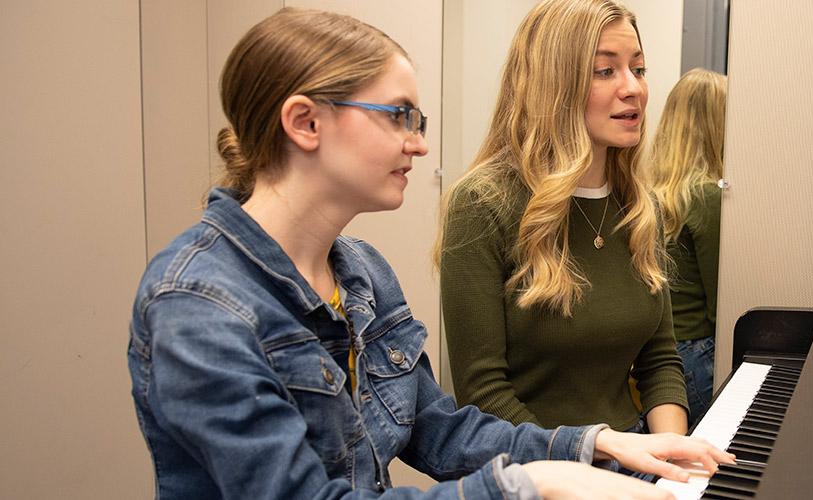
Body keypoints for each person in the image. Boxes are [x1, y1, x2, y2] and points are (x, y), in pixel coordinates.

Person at [127, 8, 729, 499]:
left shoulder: (360, 271)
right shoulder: (197, 303)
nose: (418, 143)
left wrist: (595, 445)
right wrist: (536, 482)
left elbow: (437, 430)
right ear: (305, 122)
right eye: (398, 117)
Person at [439, 0, 690, 439]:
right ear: (554, 85)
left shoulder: (640, 205)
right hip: (536, 462)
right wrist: (590, 460)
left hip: (627, 454)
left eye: (639, 68)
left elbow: (660, 360)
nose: (634, 88)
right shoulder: (483, 204)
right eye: (605, 71)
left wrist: (670, 456)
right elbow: (483, 393)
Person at [649, 68, 727, 427]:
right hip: (698, 354)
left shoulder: (651, 193)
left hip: (664, 359)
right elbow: (721, 306)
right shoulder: (707, 196)